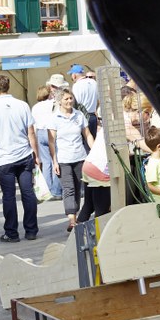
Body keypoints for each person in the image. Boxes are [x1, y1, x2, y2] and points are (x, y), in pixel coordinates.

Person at [0, 74, 40, 242]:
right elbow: (31, 133)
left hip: (4, 158)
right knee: (28, 193)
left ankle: (11, 233)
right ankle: (31, 230)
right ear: (9, 86)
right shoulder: (22, 105)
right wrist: (36, 154)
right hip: (24, 154)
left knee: (8, 196)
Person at [49, 87, 93, 231]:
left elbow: (87, 135)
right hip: (63, 159)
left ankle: (75, 214)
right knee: (69, 189)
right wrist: (54, 161)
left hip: (80, 156)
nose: (69, 101)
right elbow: (51, 141)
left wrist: (93, 151)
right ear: (59, 101)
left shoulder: (79, 115)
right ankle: (72, 220)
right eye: (66, 99)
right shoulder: (55, 118)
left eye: (71, 98)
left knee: (78, 187)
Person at [32, 75, 67, 200]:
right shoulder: (54, 104)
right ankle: (56, 190)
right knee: (55, 160)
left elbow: (33, 124)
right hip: (52, 132)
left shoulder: (36, 107)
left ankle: (48, 191)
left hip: (40, 132)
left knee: (46, 162)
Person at [70, 64, 100, 138]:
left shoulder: (76, 85)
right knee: (92, 140)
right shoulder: (94, 82)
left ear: (74, 75)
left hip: (82, 116)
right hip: (93, 116)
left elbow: (75, 103)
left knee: (85, 142)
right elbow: (98, 100)